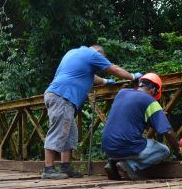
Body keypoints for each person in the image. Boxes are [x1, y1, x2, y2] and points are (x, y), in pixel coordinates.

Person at [42, 45, 143, 179]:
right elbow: (114, 69)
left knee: (70, 133)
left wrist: (106, 81)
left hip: (59, 95)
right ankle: (48, 169)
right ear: (99, 53)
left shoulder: (74, 53)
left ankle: (65, 167)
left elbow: (91, 77)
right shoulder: (92, 54)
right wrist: (132, 76)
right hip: (62, 96)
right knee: (58, 130)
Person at [101, 73, 180, 180]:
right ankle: (131, 165)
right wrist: (179, 152)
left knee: (131, 142)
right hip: (126, 146)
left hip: (108, 147)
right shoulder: (150, 100)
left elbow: (130, 118)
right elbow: (168, 132)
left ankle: (113, 163)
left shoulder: (121, 93)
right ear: (154, 90)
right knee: (164, 150)